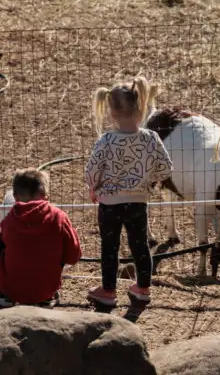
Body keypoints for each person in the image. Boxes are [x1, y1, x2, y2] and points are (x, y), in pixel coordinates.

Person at [84, 76, 172, 307]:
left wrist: (94, 188)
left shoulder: (106, 140)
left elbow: (92, 170)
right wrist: (147, 180)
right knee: (140, 245)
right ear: (140, 106)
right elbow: (166, 169)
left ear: (111, 112)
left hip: (109, 203)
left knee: (110, 247)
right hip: (138, 202)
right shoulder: (150, 139)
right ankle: (142, 288)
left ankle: (108, 290)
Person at [0, 168, 81, 307]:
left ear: (15, 196)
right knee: (58, 241)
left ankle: (1, 292)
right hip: (46, 290)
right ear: (45, 194)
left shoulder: (10, 220)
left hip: (12, 290)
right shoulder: (59, 217)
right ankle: (46, 296)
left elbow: (6, 246)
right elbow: (73, 257)